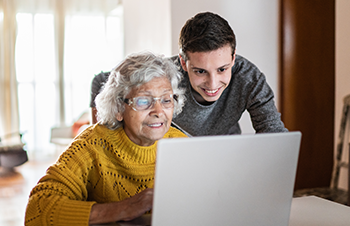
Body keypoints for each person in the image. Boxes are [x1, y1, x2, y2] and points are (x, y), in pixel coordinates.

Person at [25, 52, 187, 226]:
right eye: (143, 101)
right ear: (118, 108)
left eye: (166, 100)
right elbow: (37, 209)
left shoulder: (183, 145)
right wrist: (121, 210)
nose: (158, 110)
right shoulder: (92, 144)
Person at [90, 12, 288, 135]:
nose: (212, 84)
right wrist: (102, 137)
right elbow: (101, 80)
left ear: (233, 59)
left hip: (224, 150)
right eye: (200, 71)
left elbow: (274, 134)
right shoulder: (165, 73)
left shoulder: (250, 79)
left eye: (222, 69)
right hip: (174, 152)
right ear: (183, 63)